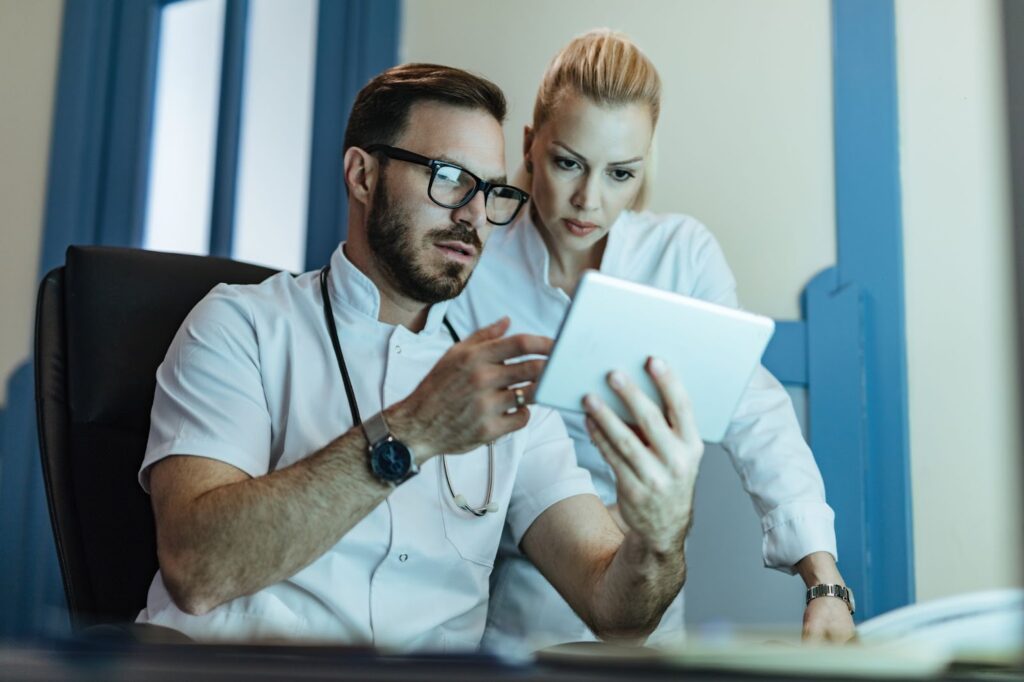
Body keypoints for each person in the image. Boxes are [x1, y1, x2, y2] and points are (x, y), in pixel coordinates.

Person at [135, 63, 706, 651]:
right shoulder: (240, 325)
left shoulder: (505, 381)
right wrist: (411, 434)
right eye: (451, 177)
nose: (475, 215)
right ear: (362, 174)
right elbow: (197, 570)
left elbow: (616, 613)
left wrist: (658, 537)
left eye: (492, 191)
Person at [446, 30, 856, 650]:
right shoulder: (474, 262)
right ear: (529, 147)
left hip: (648, 588)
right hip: (509, 598)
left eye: (620, 173)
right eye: (567, 163)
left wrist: (822, 580)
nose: (590, 199)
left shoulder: (682, 256)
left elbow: (758, 413)